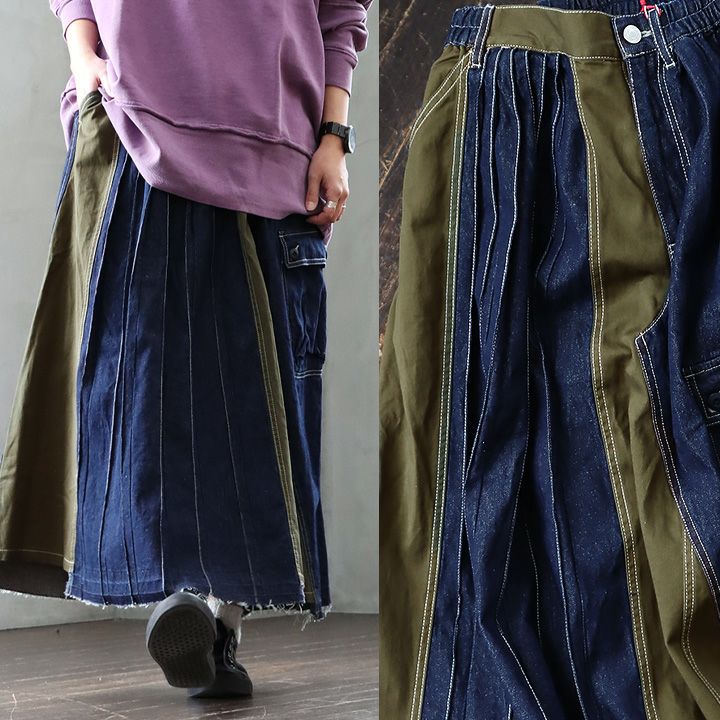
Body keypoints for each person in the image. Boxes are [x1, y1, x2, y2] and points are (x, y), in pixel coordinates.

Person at [0, 0, 370, 699]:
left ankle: (216, 623)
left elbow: (341, 11)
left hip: (272, 148)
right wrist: (83, 53)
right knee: (144, 392)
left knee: (255, 406)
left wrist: (334, 135)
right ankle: (200, 610)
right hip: (133, 126)